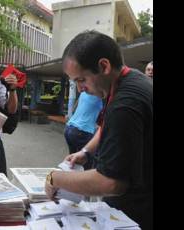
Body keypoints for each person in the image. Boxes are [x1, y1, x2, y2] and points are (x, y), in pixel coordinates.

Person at [44, 31, 153, 229]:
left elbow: (112, 182)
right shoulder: (128, 79)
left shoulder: (125, 104)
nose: (80, 89)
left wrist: (55, 178)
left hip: (138, 213)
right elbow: (105, 126)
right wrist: (86, 152)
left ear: (104, 66)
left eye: (81, 80)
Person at [64, 90, 103, 170]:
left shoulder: (84, 92)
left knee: (73, 162)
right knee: (87, 162)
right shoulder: (101, 94)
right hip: (82, 131)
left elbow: (75, 108)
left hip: (69, 128)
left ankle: (71, 180)